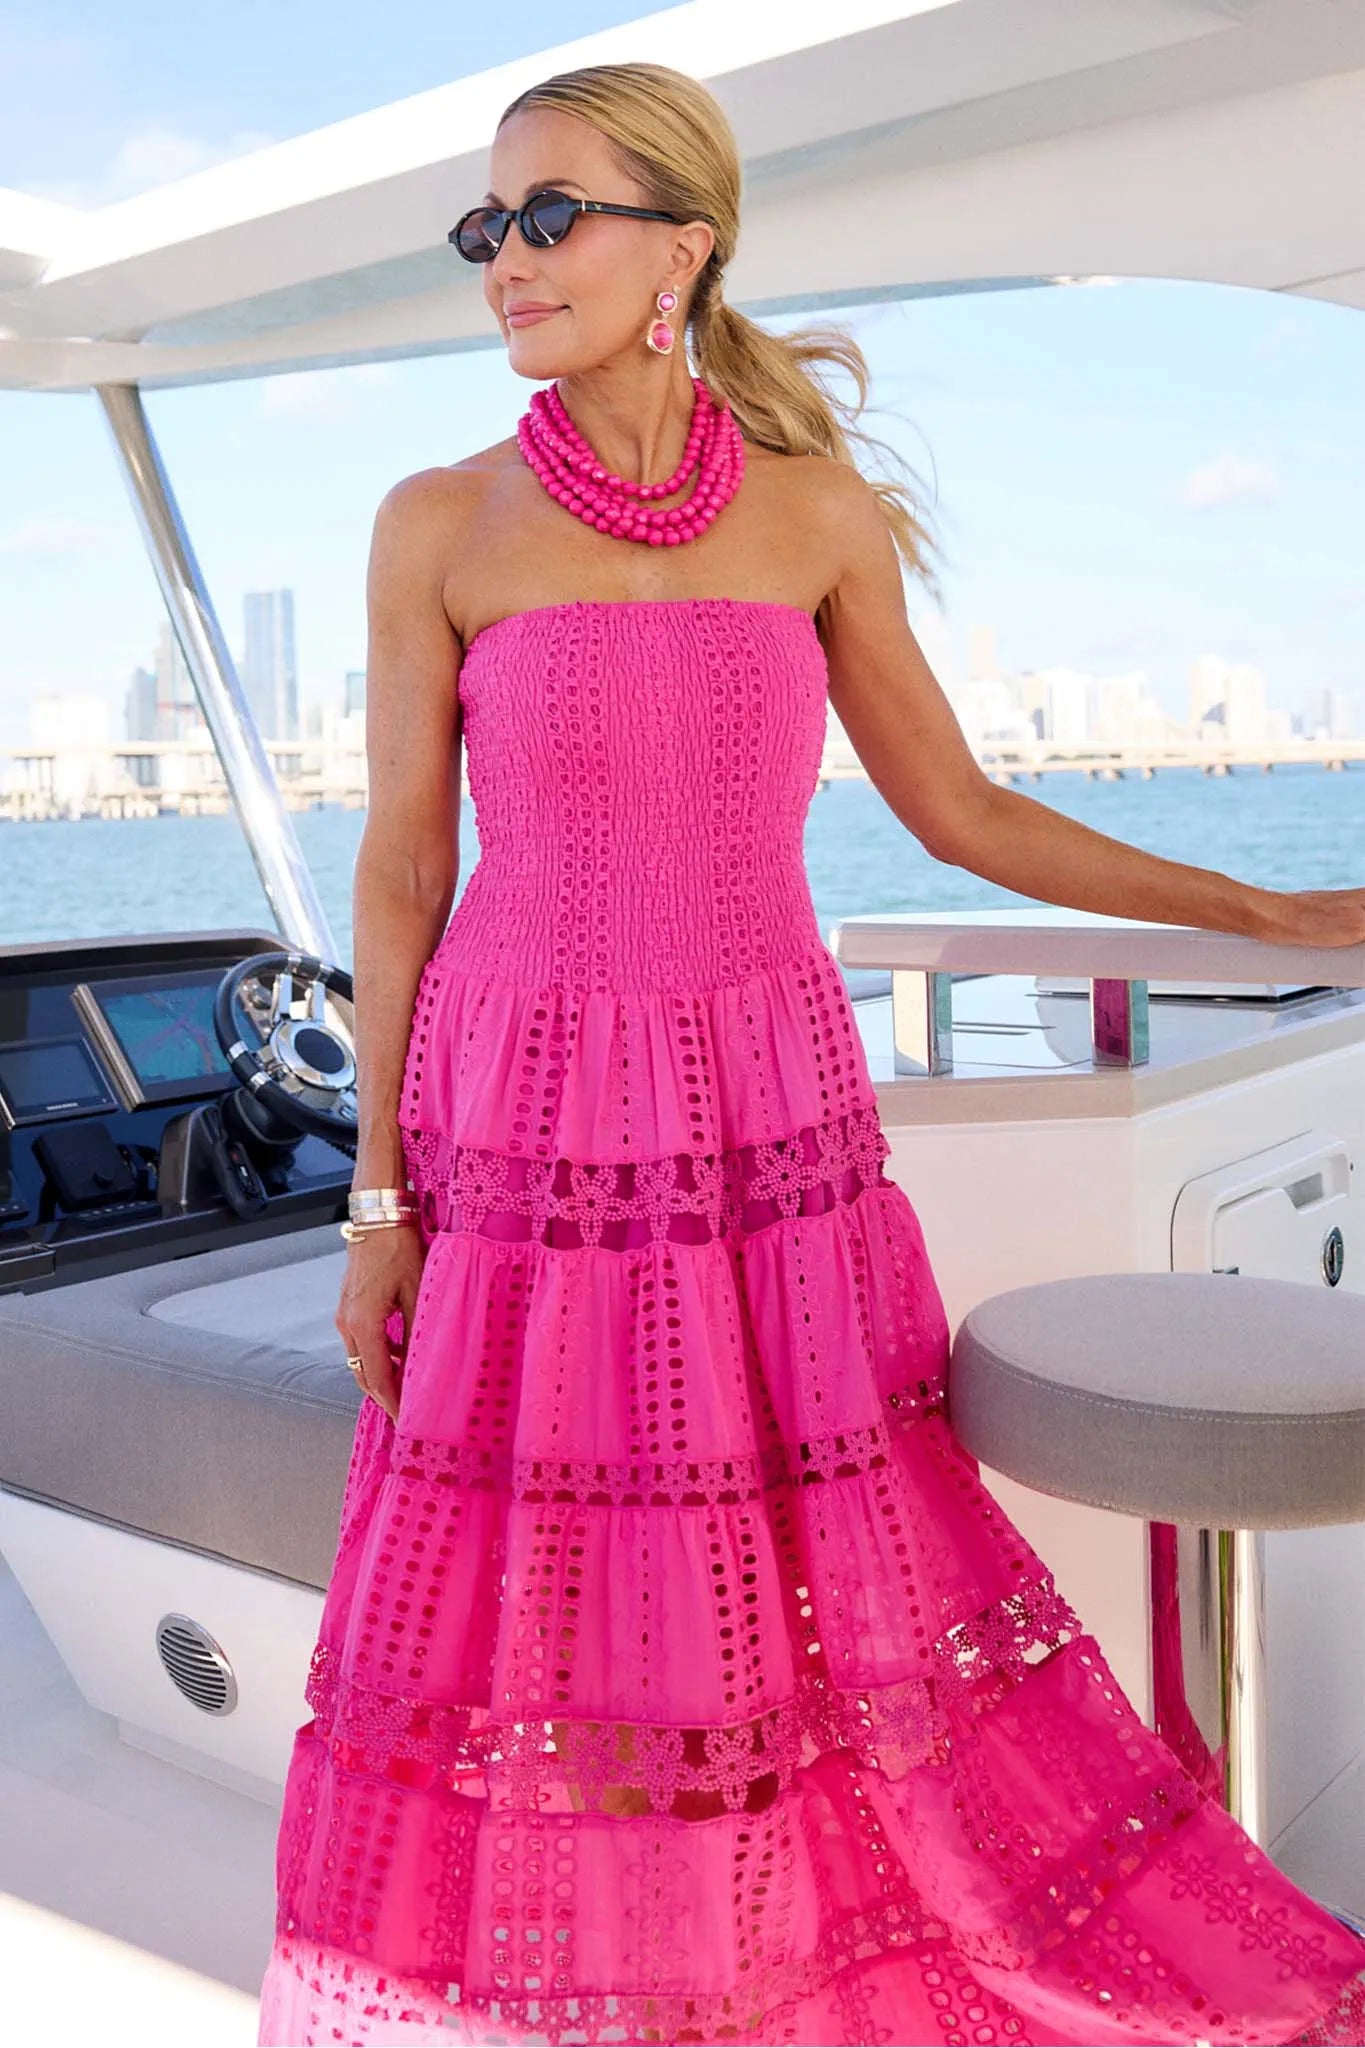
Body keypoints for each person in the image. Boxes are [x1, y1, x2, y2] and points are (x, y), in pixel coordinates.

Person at [256, 58, 1365, 2048]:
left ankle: (746, 1971)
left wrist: (1274, 911)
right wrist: (375, 1196)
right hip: (516, 1124)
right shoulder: (437, 521)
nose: (501, 261)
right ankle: (569, 1989)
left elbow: (967, 817)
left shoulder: (813, 513)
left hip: (753, 1105)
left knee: (782, 1574)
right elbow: (404, 872)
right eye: (481, 227)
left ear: (682, 244)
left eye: (547, 215)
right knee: (544, 1594)